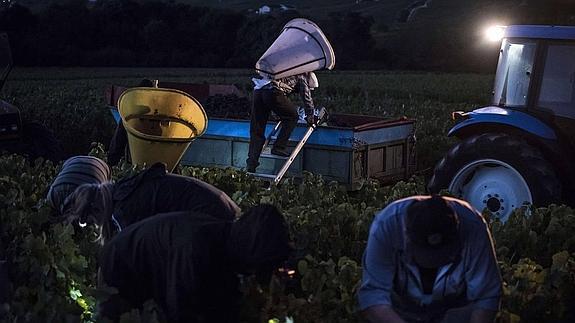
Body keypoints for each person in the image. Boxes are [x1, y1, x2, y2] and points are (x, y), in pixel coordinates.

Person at [97, 204, 291, 322]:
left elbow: (225, 303)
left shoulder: (225, 244)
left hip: (147, 268)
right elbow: (180, 311)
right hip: (119, 270)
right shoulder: (197, 250)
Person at [358, 195, 502, 323]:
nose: (435, 263)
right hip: (399, 310)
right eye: (428, 257)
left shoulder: (473, 227)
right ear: (407, 240)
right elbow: (374, 295)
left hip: (455, 309)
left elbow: (486, 296)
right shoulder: (386, 226)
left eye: (443, 256)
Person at [66, 162, 240, 244]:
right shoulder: (124, 191)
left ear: (96, 208)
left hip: (211, 212)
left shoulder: (125, 211)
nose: (93, 226)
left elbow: (140, 254)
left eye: (88, 221)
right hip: (219, 203)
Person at [246, 72, 318, 173]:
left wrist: (278, 113)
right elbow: (306, 97)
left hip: (258, 92)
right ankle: (279, 147)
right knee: (292, 117)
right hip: (273, 92)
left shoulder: (287, 72)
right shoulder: (302, 77)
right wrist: (310, 115)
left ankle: (251, 164)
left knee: (257, 129)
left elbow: (276, 102)